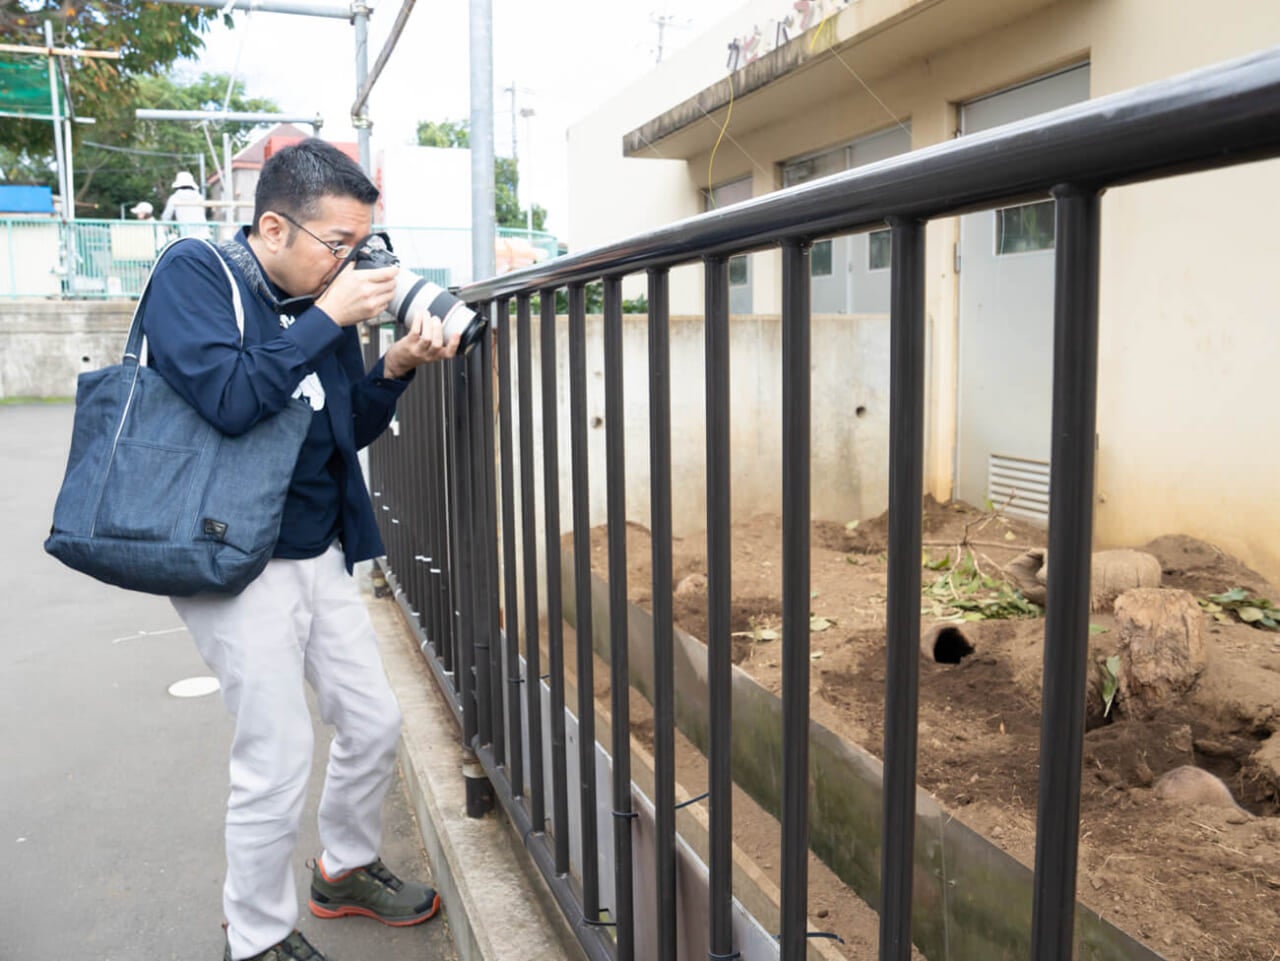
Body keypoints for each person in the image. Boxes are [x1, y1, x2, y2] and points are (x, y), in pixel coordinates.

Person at [140, 138, 461, 961]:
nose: (352, 262)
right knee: (277, 752)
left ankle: (343, 868)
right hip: (231, 556)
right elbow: (230, 398)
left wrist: (394, 364)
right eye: (339, 243)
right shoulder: (196, 275)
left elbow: (341, 426)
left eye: (362, 243)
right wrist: (329, 317)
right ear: (275, 227)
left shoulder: (323, 299)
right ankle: (253, 937)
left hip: (317, 550)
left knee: (374, 718)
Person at [161, 169, 211, 237]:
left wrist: (165, 231)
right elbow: (203, 212)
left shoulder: (174, 198)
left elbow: (166, 216)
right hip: (203, 232)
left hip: (186, 233)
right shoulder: (199, 197)